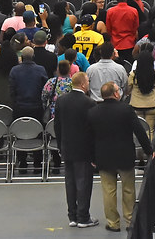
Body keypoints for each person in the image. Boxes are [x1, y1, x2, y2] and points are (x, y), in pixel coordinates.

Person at [89, 81, 153, 233]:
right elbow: (139, 131)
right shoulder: (126, 110)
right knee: (129, 190)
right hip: (124, 156)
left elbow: (89, 137)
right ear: (116, 93)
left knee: (108, 191)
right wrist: (149, 150)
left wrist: (92, 157)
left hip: (103, 158)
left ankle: (113, 223)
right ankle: (131, 220)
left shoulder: (93, 112)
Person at [55, 71, 98, 228]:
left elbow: (57, 126)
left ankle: (72, 216)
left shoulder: (61, 101)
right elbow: (92, 130)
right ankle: (83, 217)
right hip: (84, 149)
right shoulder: (89, 103)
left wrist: (60, 146)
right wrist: (94, 155)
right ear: (83, 84)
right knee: (84, 183)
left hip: (67, 147)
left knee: (70, 183)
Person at [10, 46, 49, 171]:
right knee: (37, 133)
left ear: (21, 57)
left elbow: (11, 90)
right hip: (36, 106)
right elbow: (45, 89)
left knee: (20, 133)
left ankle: (22, 161)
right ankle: (38, 162)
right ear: (33, 57)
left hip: (20, 106)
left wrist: (15, 102)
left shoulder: (14, 70)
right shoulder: (41, 69)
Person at [128, 50, 155, 139]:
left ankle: (139, 150)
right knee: (150, 130)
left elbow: (128, 89)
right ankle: (150, 150)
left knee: (138, 130)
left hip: (136, 106)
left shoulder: (133, 74)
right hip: (152, 106)